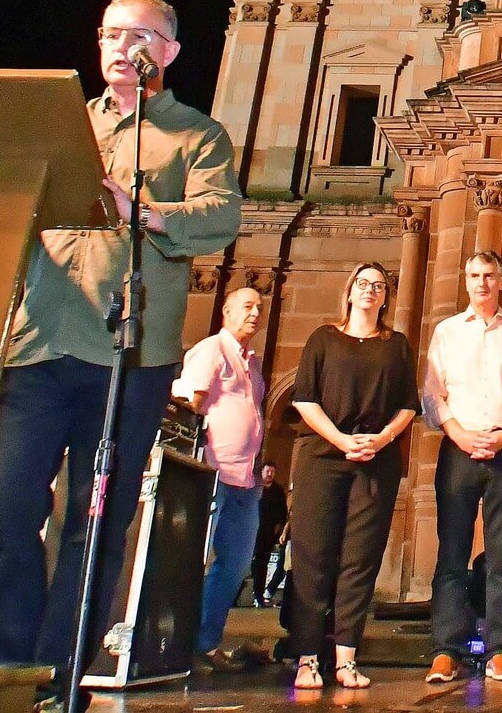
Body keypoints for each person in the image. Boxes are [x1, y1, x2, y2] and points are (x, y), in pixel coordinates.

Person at [0, 0, 242, 708]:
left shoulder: (195, 136)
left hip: (130, 356)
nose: (123, 45)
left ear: (170, 51)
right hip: (39, 344)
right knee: (3, 511)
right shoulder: (63, 127)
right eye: (111, 33)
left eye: (141, 35)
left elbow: (222, 218)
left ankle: (58, 680)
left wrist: (144, 211)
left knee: (93, 529)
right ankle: (5, 665)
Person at [286, 263, 418, 690]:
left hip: (376, 460)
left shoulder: (396, 345)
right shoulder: (323, 338)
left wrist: (380, 439)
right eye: (363, 284)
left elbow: (408, 405)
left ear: (385, 297)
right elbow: (305, 398)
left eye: (378, 286)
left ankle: (346, 659)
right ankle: (307, 657)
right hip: (323, 456)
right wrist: (342, 439)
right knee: (314, 556)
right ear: (349, 292)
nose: (370, 291)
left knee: (360, 560)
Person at [420, 250, 502, 684]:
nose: (481, 283)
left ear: (501, 280)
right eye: (474, 275)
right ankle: (446, 650)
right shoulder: (447, 331)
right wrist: (458, 433)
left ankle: (498, 648)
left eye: (489, 275)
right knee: (451, 552)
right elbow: (432, 394)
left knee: (501, 554)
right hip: (458, 448)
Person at [177, 286, 267, 671]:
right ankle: (179, 644)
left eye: (259, 308)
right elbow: (187, 402)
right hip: (212, 473)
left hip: (244, 480)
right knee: (196, 559)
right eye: (247, 306)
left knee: (235, 563)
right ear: (226, 311)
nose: (255, 313)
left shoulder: (252, 362)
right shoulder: (212, 349)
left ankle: (206, 641)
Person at [251, 465, 288, 606]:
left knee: (262, 564)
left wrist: (277, 530)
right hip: (252, 530)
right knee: (252, 564)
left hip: (267, 534)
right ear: (262, 472)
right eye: (267, 471)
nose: (270, 474)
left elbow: (282, 513)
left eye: (272, 471)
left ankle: (259, 596)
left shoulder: (278, 491)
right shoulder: (256, 487)